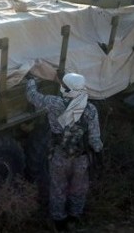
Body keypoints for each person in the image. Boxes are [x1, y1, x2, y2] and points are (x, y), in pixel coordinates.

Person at [25, 73, 103, 232]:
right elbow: (95, 139)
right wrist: (98, 156)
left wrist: (31, 81)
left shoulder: (54, 103)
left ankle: (58, 221)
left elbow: (32, 96)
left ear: (65, 89)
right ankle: (74, 218)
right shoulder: (90, 109)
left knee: (58, 188)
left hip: (60, 155)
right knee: (79, 188)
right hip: (81, 158)